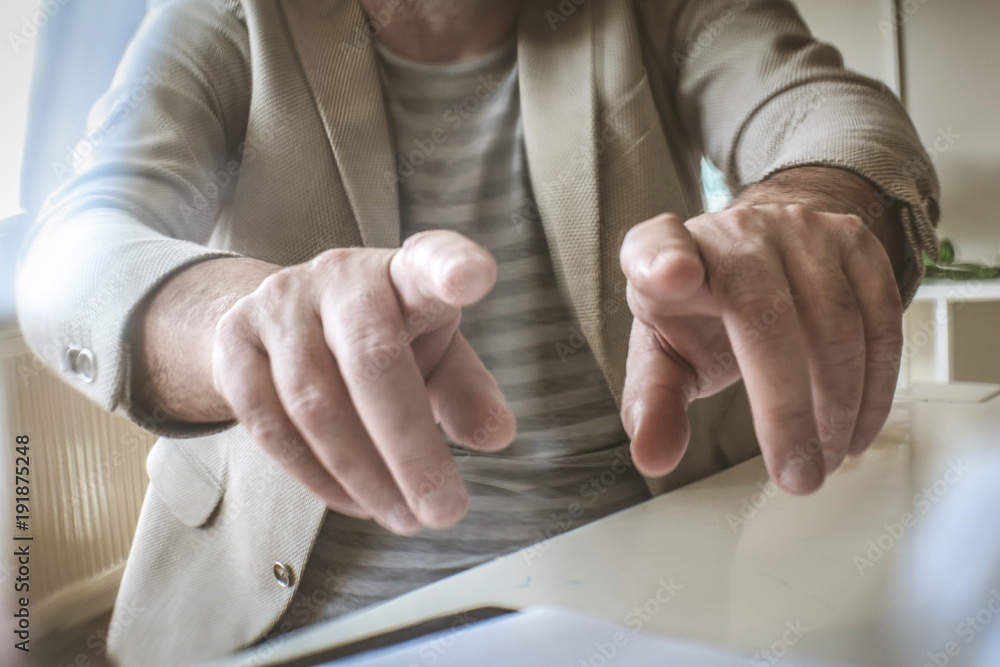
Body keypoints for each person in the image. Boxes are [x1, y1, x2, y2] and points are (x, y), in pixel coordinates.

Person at [15, 0, 939, 664]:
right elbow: (73, 245)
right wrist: (230, 319)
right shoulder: (226, 16)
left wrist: (803, 204)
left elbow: (830, 112)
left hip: (632, 610)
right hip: (284, 622)